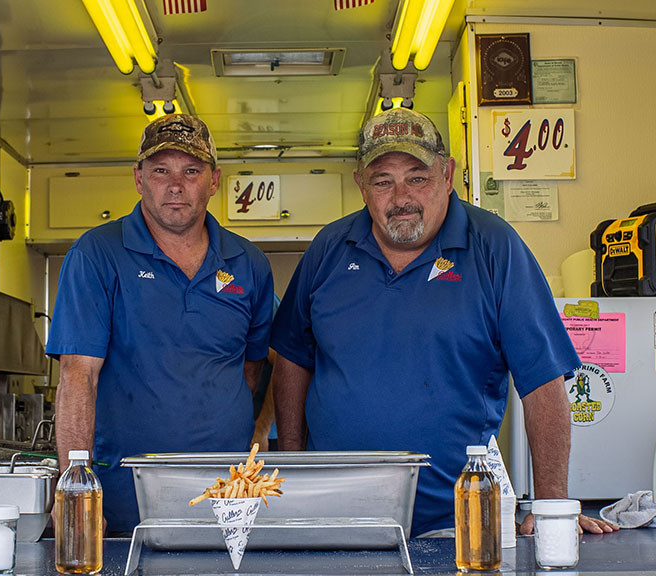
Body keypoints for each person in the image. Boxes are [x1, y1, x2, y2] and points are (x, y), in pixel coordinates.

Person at [269, 107, 617, 537]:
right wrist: (293, 468)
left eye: (417, 177)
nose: (400, 198)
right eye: (383, 181)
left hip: (456, 524)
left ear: (448, 174)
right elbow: (292, 357)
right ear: (361, 186)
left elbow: (543, 382)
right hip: (334, 515)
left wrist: (550, 507)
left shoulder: (494, 246)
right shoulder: (329, 248)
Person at [46, 114, 274, 532]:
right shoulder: (97, 255)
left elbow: (250, 370)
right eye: (160, 171)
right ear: (138, 179)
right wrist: (73, 490)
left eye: (191, 171)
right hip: (124, 502)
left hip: (229, 500)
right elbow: (78, 376)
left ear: (214, 180)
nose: (175, 185)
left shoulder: (250, 265)